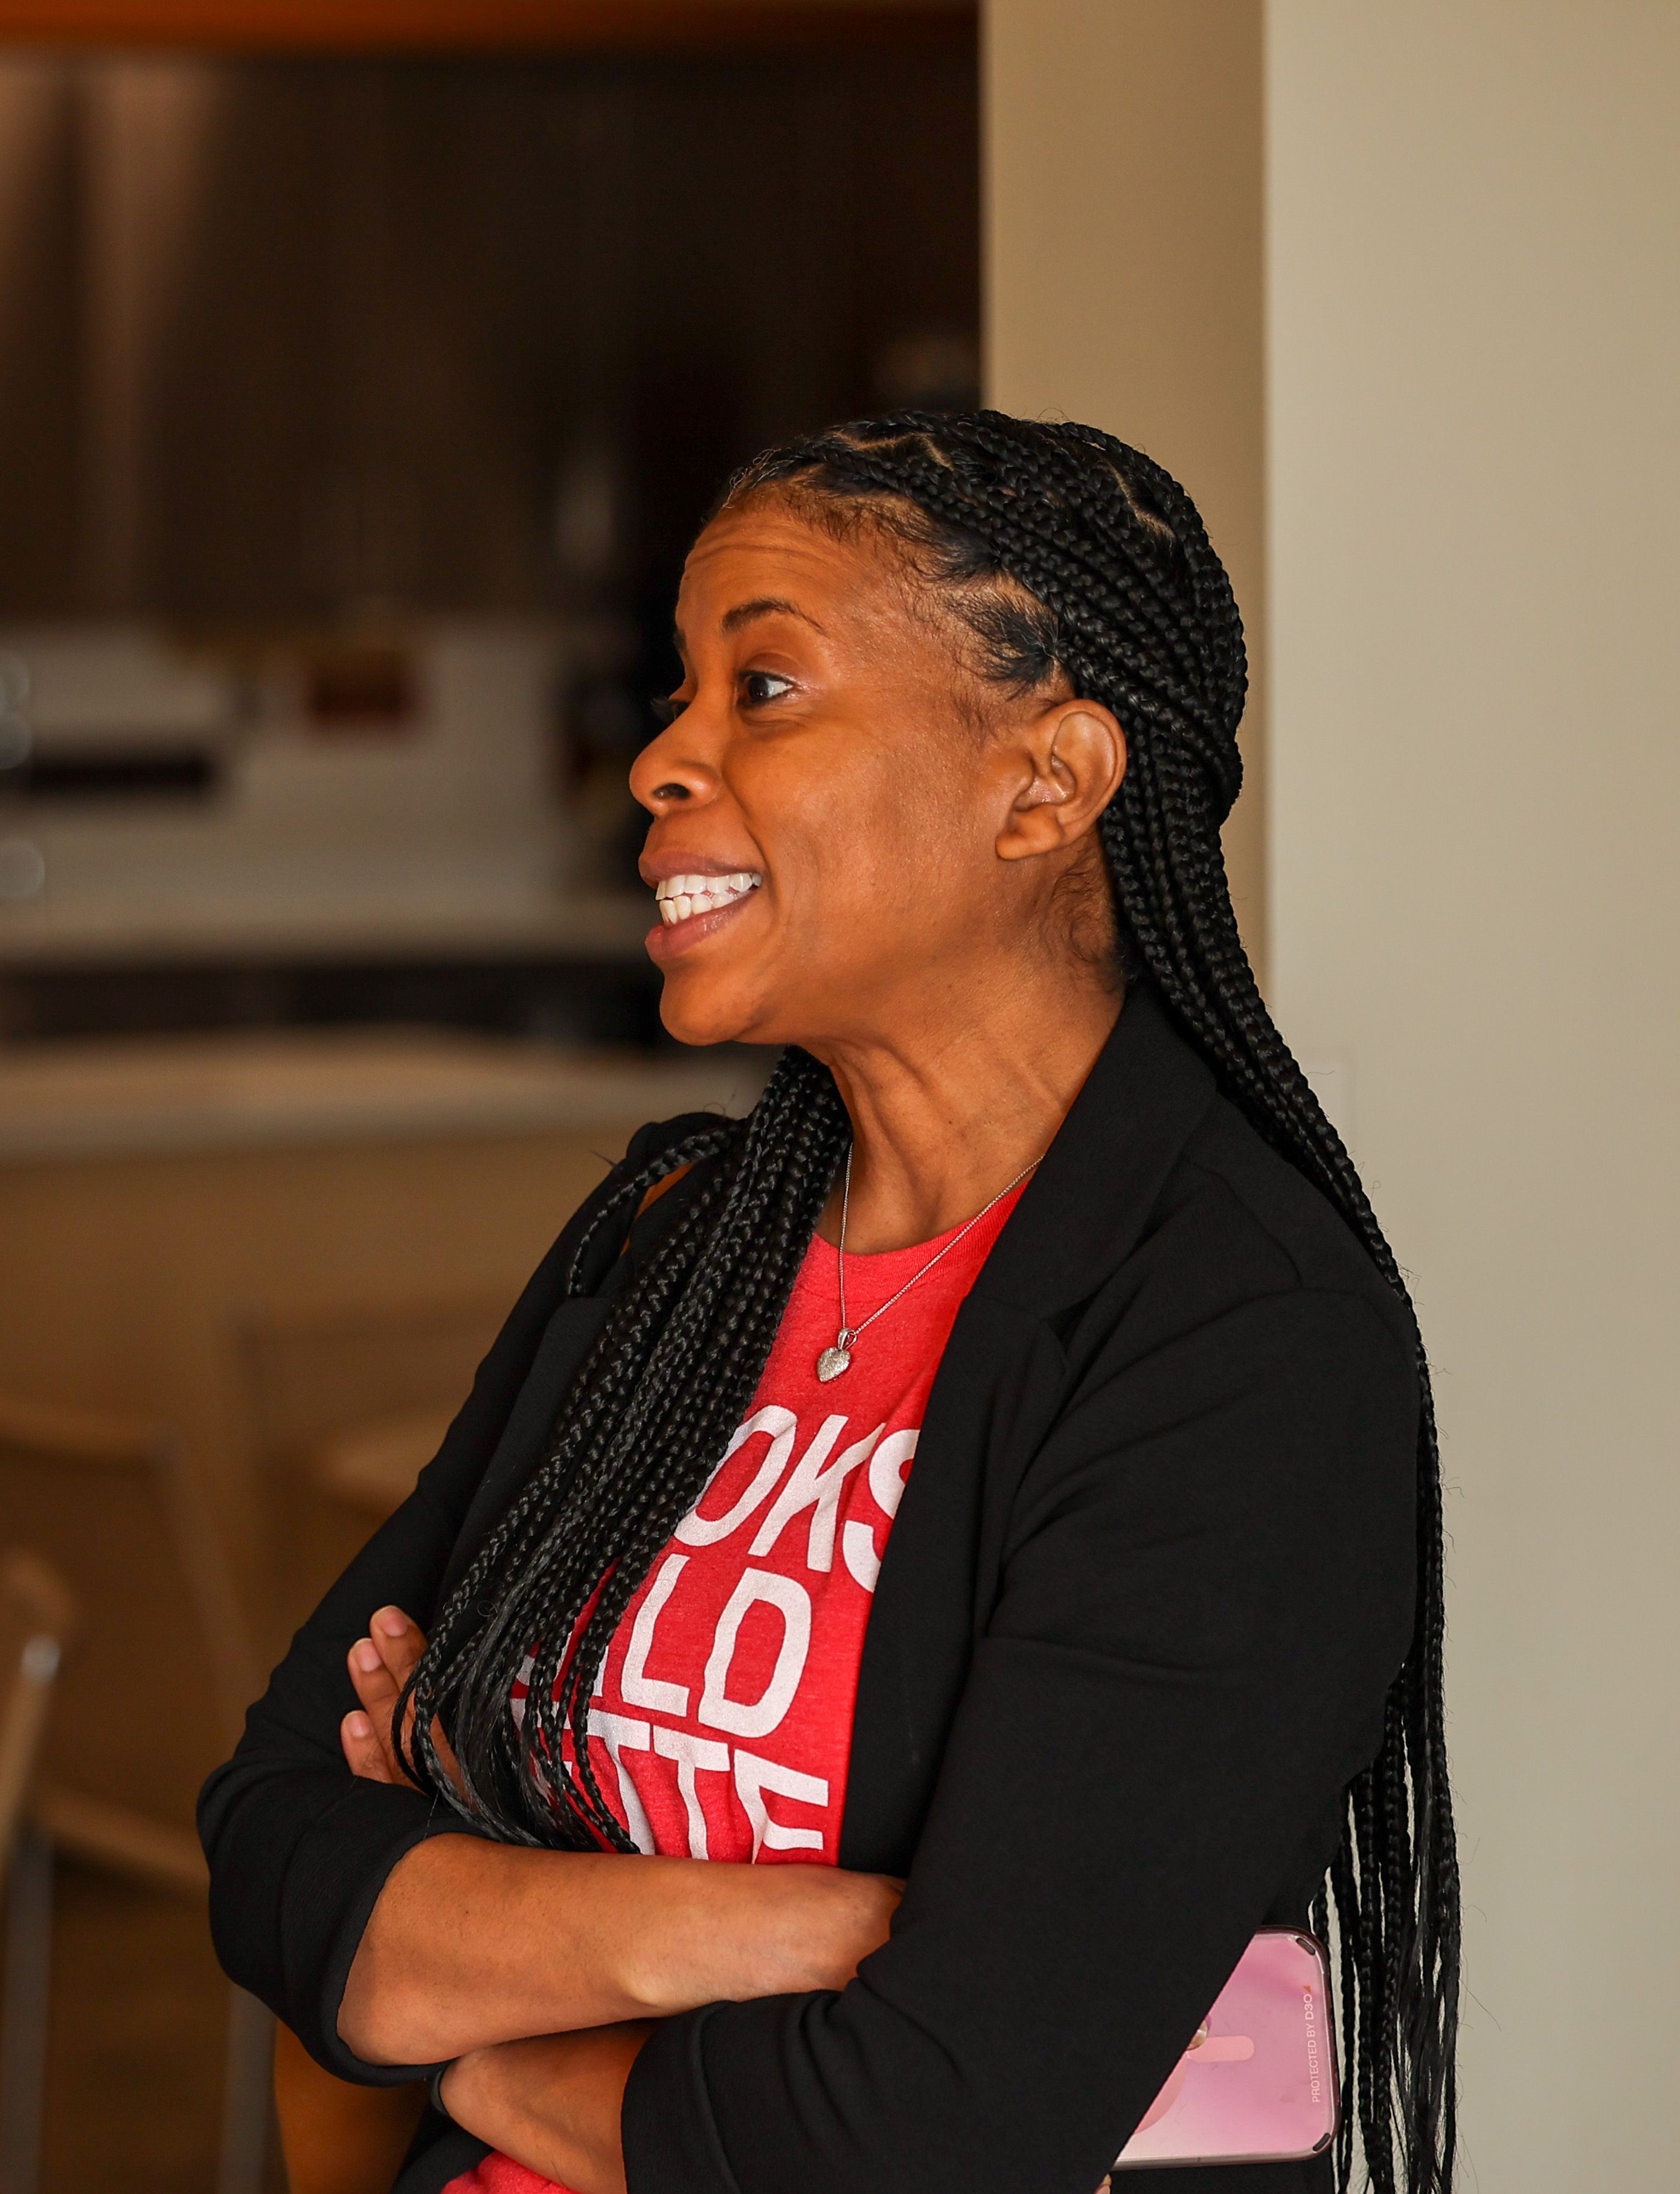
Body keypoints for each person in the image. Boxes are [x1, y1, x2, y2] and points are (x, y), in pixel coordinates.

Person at [201, 412, 1455, 2194]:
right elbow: (266, 1836)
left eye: (763, 687)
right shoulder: (676, 1237)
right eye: (678, 692)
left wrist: (478, 2026)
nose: (660, 760)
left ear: (1046, 780)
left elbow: (931, 2120)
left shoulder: (1237, 1341)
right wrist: (739, 1932)